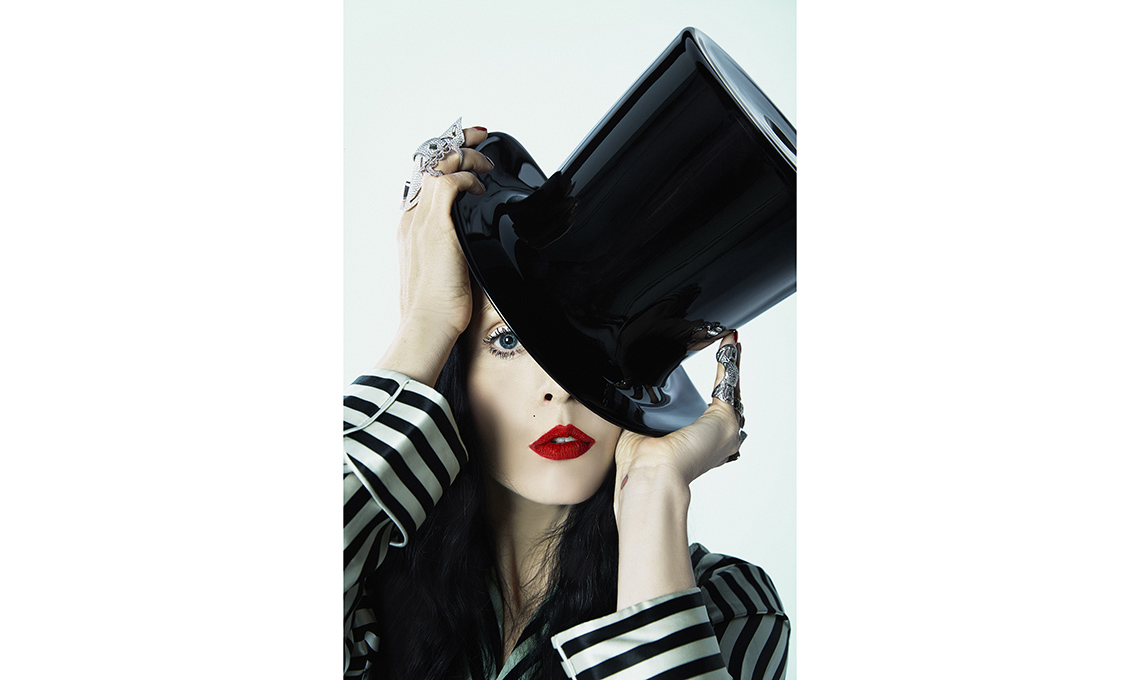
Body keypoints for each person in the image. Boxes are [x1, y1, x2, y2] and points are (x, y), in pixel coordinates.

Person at [344, 125, 790, 680]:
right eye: (508, 340)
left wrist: (651, 491)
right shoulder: (367, 567)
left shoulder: (729, 606)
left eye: (595, 350)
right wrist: (425, 323)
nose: (562, 386)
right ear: (457, 364)